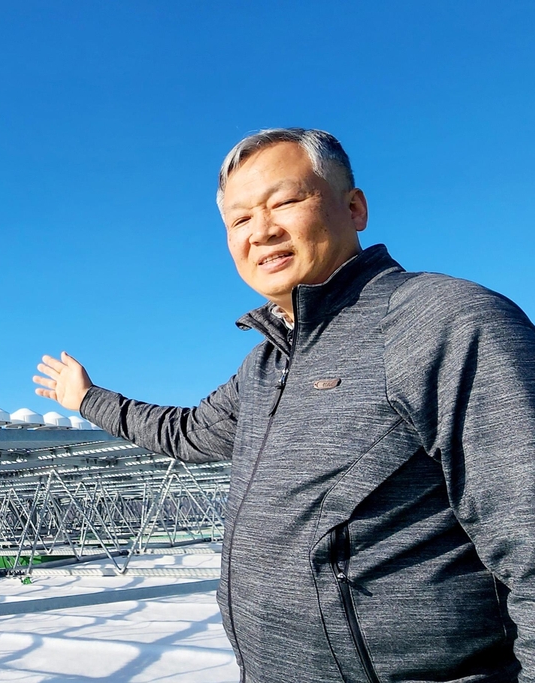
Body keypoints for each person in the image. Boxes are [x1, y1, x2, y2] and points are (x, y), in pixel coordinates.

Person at [34, 128, 535, 682]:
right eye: (239, 220)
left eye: (286, 201)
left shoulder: (441, 321)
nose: (262, 231)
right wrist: (87, 399)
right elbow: (185, 432)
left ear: (355, 207)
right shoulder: (265, 366)